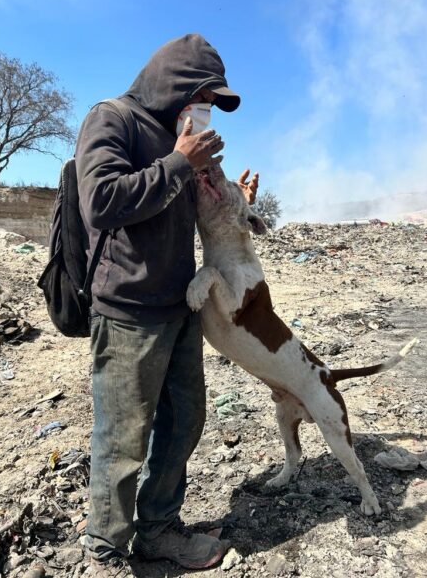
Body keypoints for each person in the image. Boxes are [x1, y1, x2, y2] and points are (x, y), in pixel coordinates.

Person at [75, 34, 258, 577]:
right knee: (123, 438)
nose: (204, 109)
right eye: (202, 97)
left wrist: (232, 196)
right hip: (128, 313)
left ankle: (158, 529)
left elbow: (198, 215)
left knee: (183, 422)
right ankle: (105, 550)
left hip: (179, 307)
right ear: (176, 84)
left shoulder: (182, 141)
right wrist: (179, 162)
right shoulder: (113, 119)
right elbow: (101, 201)